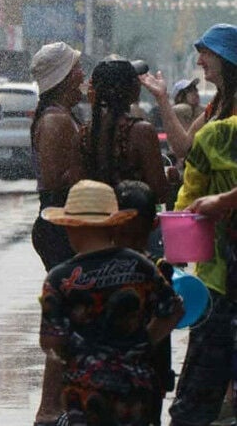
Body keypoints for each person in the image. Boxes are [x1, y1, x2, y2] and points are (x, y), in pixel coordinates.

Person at [39, 179, 183, 426]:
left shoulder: (59, 278)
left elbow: (50, 341)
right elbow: (174, 309)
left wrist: (76, 355)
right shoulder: (143, 266)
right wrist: (143, 342)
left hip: (84, 393)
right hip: (136, 390)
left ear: (69, 227)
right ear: (113, 226)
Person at [28, 42, 86, 426]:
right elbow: (53, 179)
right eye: (78, 70)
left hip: (64, 224)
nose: (83, 76)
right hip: (58, 225)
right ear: (64, 77)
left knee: (72, 315)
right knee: (66, 318)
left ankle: (59, 404)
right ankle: (49, 408)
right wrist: (82, 170)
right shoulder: (55, 121)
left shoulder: (63, 115)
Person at [168, 114, 237, 426]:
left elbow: (189, 198)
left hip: (220, 283)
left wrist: (220, 201)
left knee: (196, 400)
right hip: (221, 279)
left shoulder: (215, 135)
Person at [114, 180, 173, 426]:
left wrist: (164, 375)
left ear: (154, 226)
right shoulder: (103, 270)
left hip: (150, 373)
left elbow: (168, 320)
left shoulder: (159, 270)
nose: (129, 243)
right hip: (111, 373)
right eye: (122, 235)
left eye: (137, 237)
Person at [141, 23, 237, 160]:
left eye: (205, 53)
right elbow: (184, 149)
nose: (199, 61)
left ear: (225, 57)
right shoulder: (216, 105)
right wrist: (162, 98)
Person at [82, 54, 169, 205]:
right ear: (134, 89)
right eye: (136, 80)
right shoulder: (142, 131)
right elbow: (159, 192)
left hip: (93, 216)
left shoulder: (83, 133)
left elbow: (77, 185)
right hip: (134, 218)